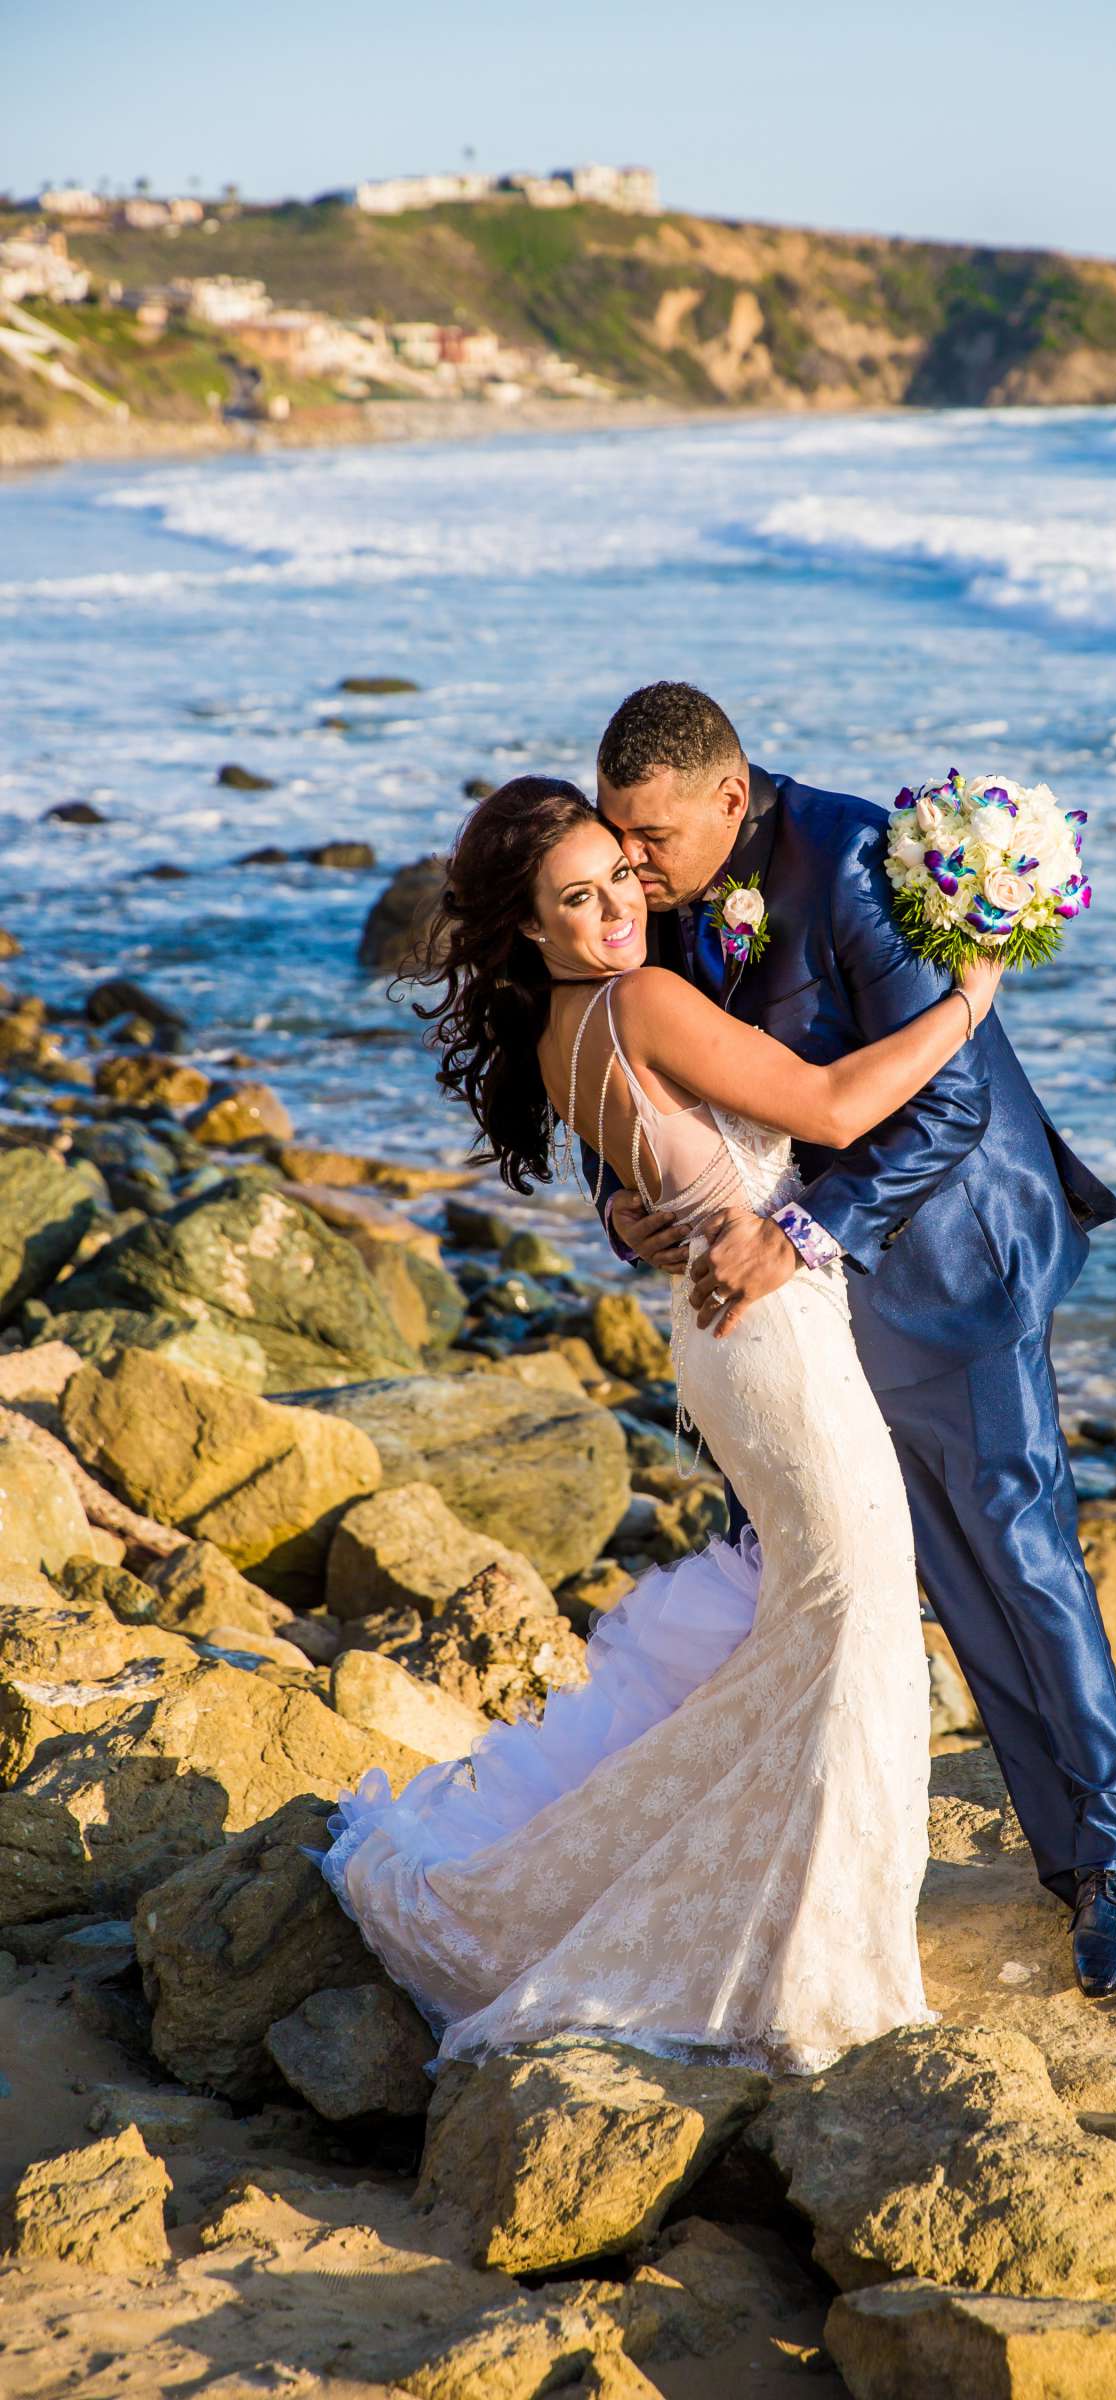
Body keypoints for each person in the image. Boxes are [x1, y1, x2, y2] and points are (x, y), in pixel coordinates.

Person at [319, 775, 1006, 2072]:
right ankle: (816, 1967)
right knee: (853, 1625)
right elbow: (839, 1111)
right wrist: (969, 999)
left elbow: (669, 1182)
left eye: (622, 881)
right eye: (575, 901)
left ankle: (797, 1926)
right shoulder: (639, 999)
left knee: (821, 1627)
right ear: (527, 927)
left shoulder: (565, 1030)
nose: (617, 912)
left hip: (726, 1332)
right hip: (775, 1344)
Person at [590, 684, 1116, 2002]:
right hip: (789, 1308)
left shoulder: (848, 860)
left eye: (653, 835)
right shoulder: (647, 903)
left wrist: (803, 1232)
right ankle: (904, 1856)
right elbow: (621, 1080)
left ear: (732, 798)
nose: (634, 861)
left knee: (1015, 1557)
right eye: (620, 834)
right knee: (866, 1574)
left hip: (949, 1257)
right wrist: (627, 1207)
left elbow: (948, 1097)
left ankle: (1110, 1865)